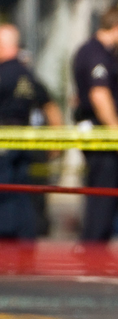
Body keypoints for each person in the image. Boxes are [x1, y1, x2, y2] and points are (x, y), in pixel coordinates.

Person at [0, 24, 63, 273]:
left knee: (4, 194)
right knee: (23, 195)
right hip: (26, 139)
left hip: (4, 141)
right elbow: (50, 106)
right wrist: (57, 140)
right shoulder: (28, 75)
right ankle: (26, 251)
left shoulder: (3, 74)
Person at [72, 7, 118, 255]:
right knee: (104, 191)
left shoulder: (91, 51)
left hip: (94, 129)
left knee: (102, 189)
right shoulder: (97, 54)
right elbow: (100, 97)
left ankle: (94, 245)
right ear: (117, 27)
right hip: (102, 132)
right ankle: (94, 248)